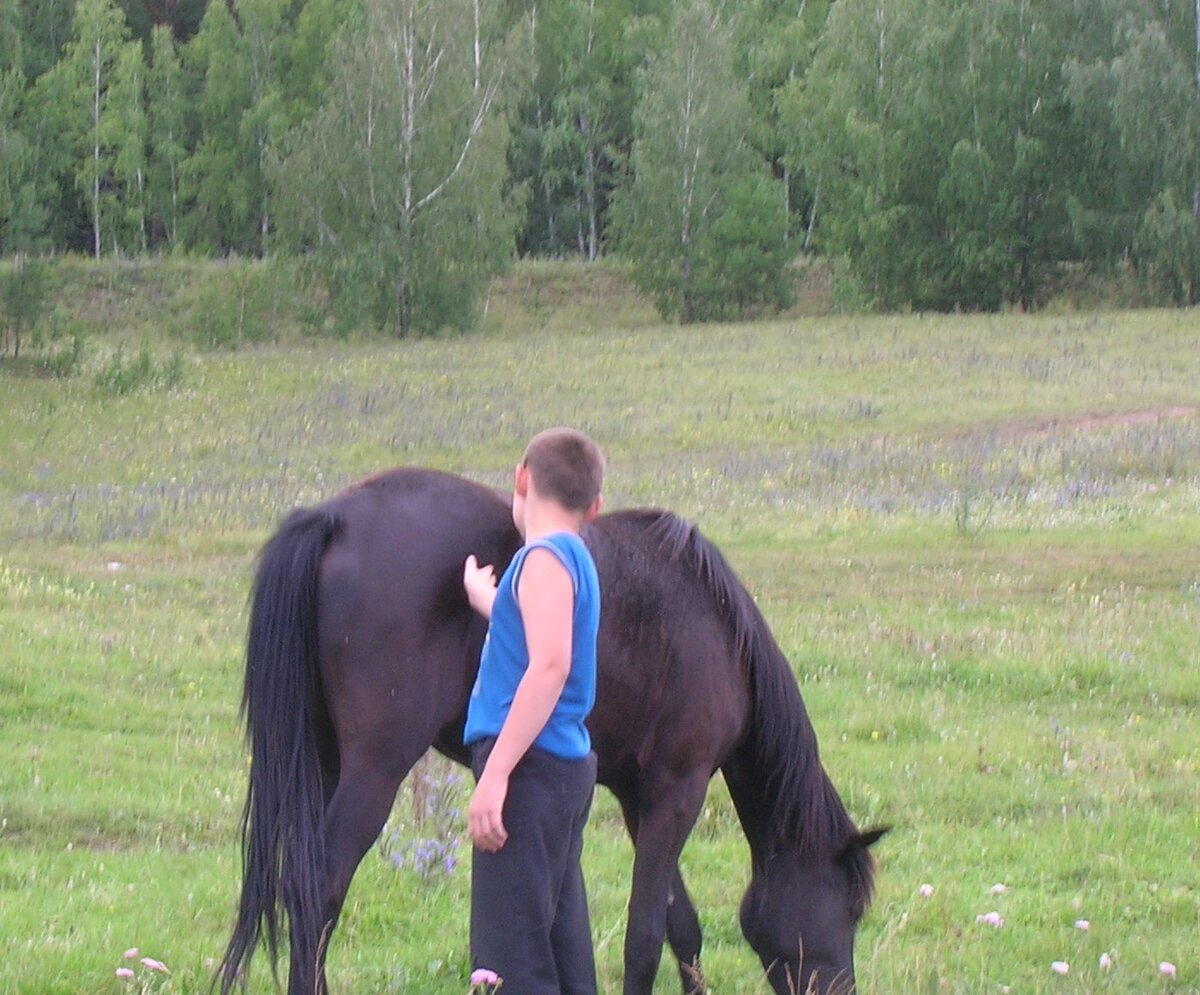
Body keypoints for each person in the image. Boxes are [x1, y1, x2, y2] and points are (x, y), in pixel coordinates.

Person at [462, 427, 605, 995]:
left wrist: (496, 774)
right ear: (593, 507)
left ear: (521, 478)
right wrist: (487, 599)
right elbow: (531, 626)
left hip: (529, 773)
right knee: (561, 950)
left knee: (510, 962)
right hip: (557, 774)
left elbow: (549, 665)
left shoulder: (544, 559)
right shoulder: (569, 559)